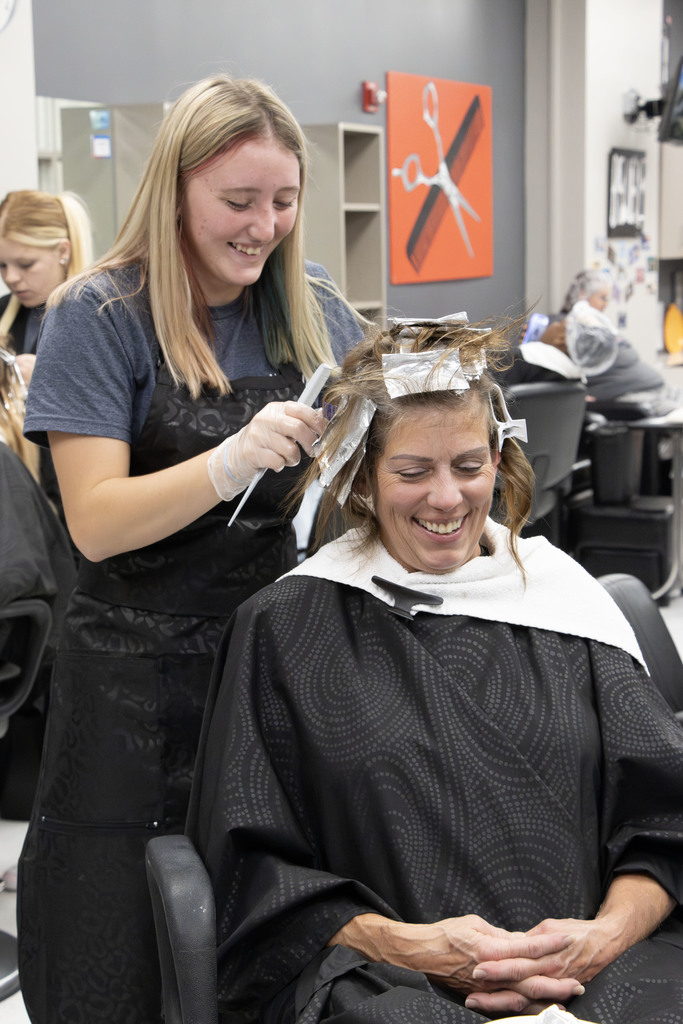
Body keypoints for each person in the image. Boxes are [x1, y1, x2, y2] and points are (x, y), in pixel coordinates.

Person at [188, 315, 683, 1024]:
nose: (446, 498)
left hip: (593, 970)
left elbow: (663, 821)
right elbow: (251, 869)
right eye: (412, 472)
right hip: (388, 981)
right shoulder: (286, 627)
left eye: (469, 466)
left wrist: (600, 939)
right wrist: (413, 948)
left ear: (499, 459)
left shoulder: (564, 603)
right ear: (360, 479)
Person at [17, 74, 365, 1024]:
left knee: (266, 922)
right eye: (238, 202)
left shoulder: (311, 304)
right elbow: (94, 520)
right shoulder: (99, 315)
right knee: (116, 936)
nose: (264, 226)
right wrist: (225, 465)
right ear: (176, 188)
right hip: (131, 680)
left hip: (268, 666)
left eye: (284, 201)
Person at [538, 269, 683, 415]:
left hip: (657, 389)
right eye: (602, 298)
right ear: (582, 295)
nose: (606, 304)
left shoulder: (598, 326)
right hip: (635, 397)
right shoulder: (564, 330)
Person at [0, 189, 94, 386]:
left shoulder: (99, 319)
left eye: (26, 264)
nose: (10, 278)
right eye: (2, 265)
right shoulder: (2, 310)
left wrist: (49, 378)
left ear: (63, 251)